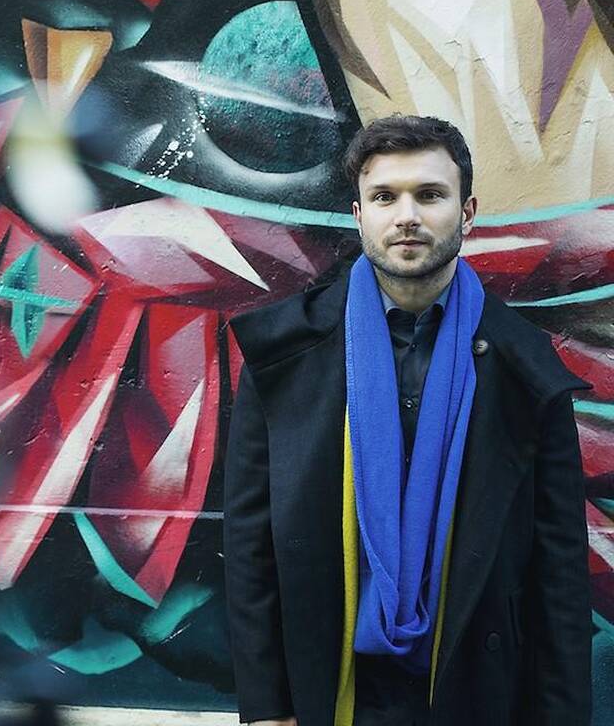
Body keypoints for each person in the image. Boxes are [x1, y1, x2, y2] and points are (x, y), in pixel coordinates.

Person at [223, 115, 592, 726]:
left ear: (467, 213)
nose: (407, 216)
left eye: (429, 195)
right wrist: (266, 706)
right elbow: (250, 544)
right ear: (358, 214)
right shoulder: (285, 356)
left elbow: (560, 571)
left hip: (471, 689)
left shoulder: (526, 368)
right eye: (384, 197)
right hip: (336, 687)